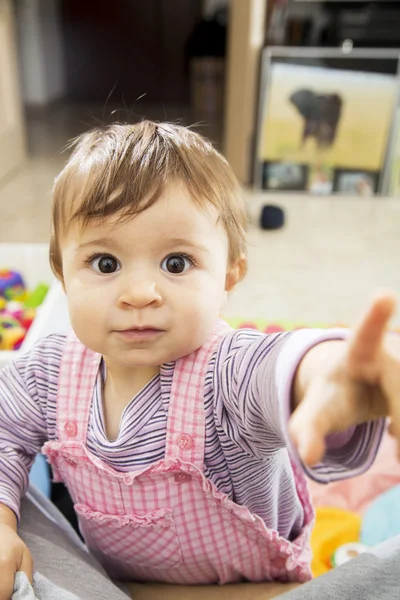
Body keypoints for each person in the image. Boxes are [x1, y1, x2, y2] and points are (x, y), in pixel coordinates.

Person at [0, 121, 399, 600]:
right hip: (116, 584)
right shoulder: (49, 372)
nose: (140, 293)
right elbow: (6, 427)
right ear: (63, 275)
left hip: (258, 591)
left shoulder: (223, 373)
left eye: (176, 263)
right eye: (106, 263)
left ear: (230, 274)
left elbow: (278, 366)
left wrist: (330, 374)